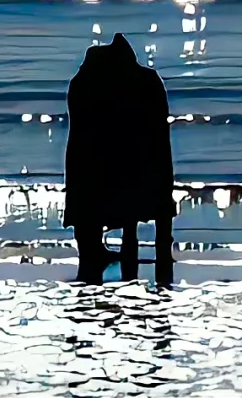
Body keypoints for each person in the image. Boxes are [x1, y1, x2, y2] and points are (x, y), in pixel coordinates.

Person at [63, 31, 175, 284]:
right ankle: (96, 253)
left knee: (86, 175)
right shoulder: (143, 82)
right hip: (132, 164)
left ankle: (92, 251)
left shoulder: (84, 83)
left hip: (101, 164)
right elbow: (158, 136)